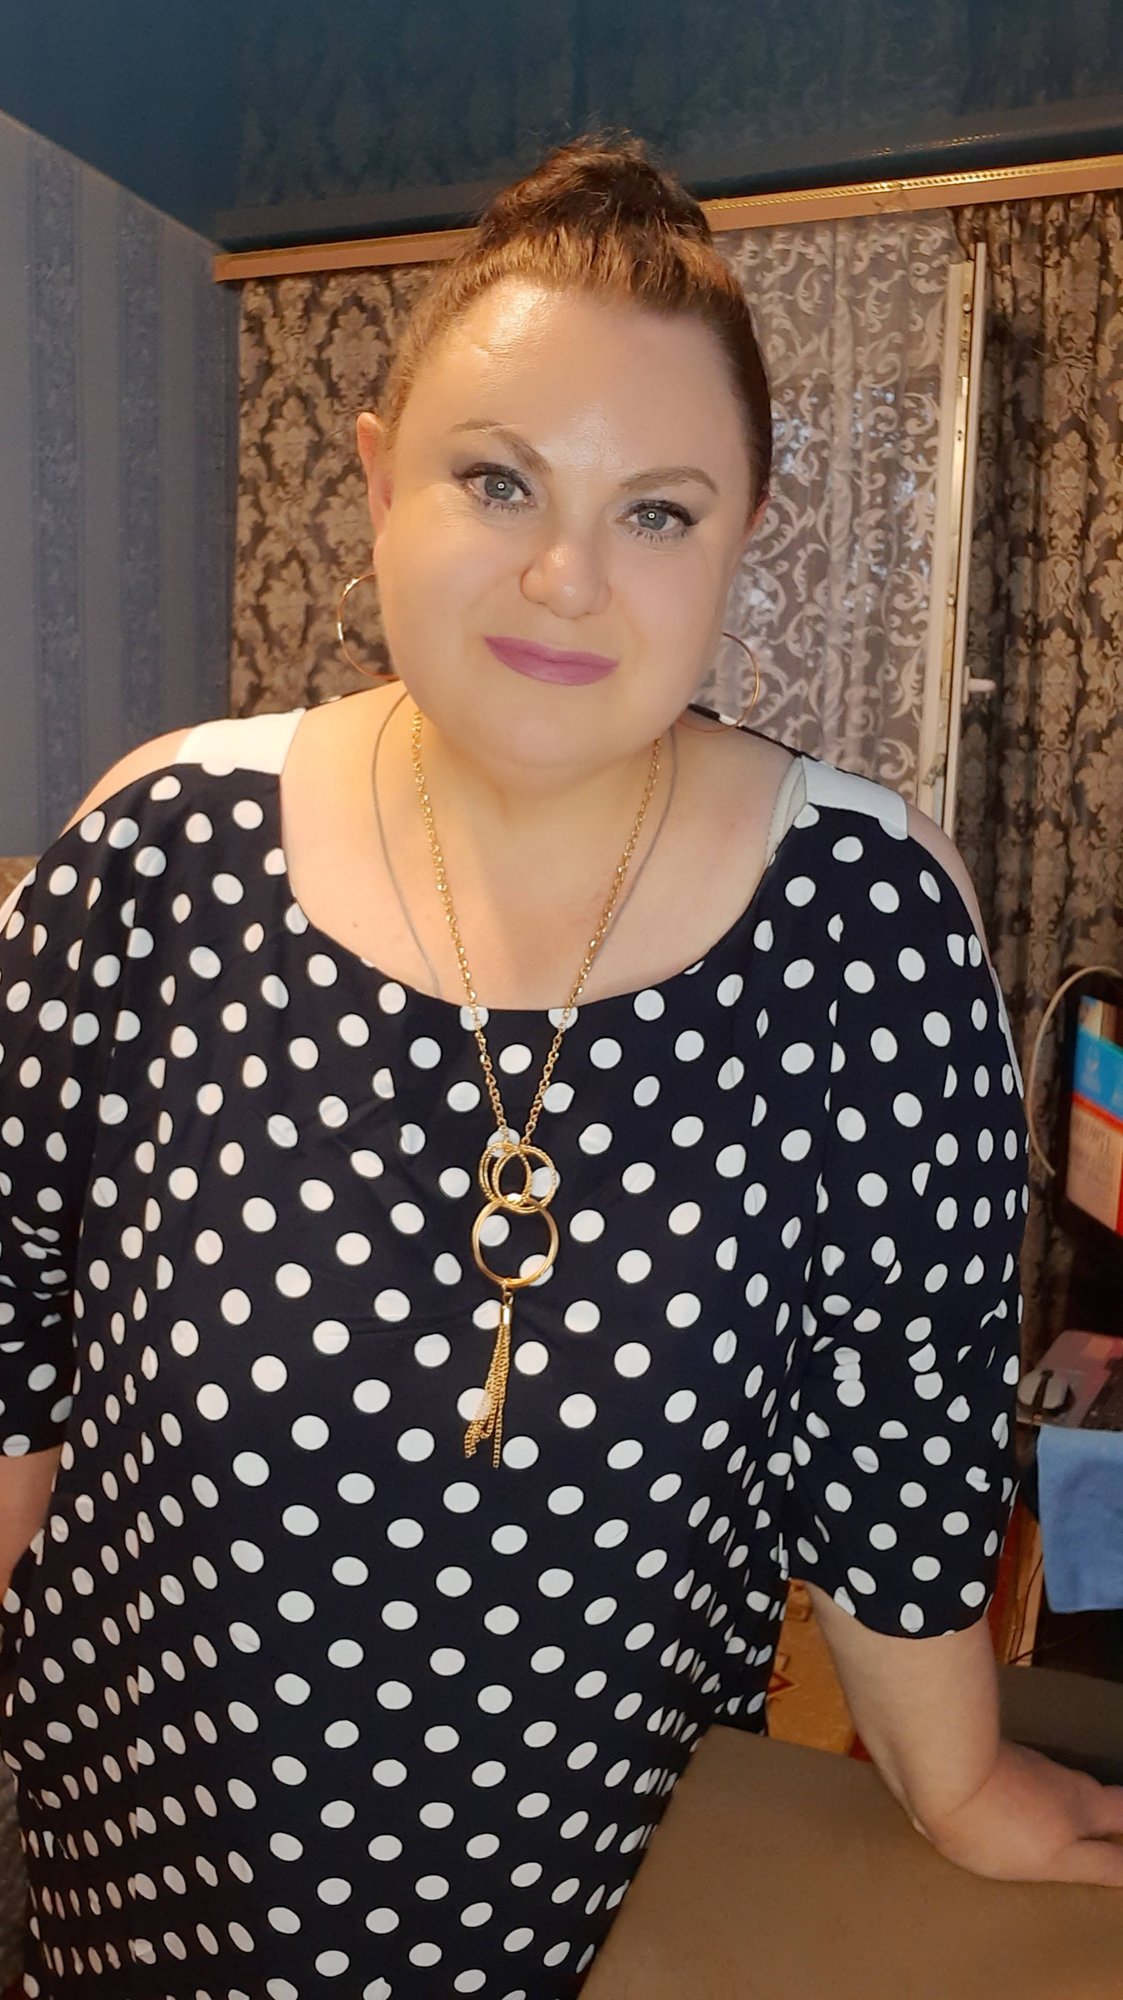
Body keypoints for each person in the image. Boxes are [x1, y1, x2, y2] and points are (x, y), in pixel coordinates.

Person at [1, 130, 1120, 2000]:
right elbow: (11, 1333)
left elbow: (895, 1446)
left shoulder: (865, 922)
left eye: (658, 512)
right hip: (146, 1883)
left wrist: (958, 1781)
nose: (565, 576)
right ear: (379, 482)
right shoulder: (158, 853)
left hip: (596, 1908)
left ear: (746, 537)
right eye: (497, 478)